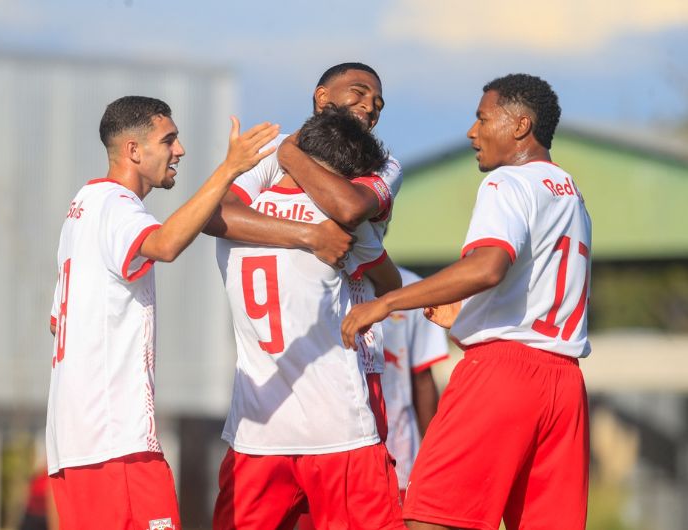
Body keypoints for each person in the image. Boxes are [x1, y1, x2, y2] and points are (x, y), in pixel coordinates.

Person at [342, 74, 592, 530]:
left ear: (520, 126)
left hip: (502, 375)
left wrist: (386, 302)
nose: (471, 132)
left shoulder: (508, 183)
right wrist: (470, 314)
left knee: (431, 519)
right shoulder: (571, 194)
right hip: (565, 385)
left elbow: (488, 267)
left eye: (482, 119)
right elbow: (526, 290)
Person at [46, 95, 278, 530]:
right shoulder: (116, 205)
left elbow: (56, 320)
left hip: (76, 444)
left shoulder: (82, 208)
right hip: (114, 443)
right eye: (168, 139)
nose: (180, 150)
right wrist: (229, 169)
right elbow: (165, 245)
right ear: (134, 150)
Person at [213, 106, 405, 530]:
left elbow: (211, 215)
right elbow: (391, 284)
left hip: (256, 431)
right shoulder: (342, 225)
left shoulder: (235, 220)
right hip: (338, 428)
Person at [204, 62, 403, 271]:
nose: (370, 107)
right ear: (322, 97)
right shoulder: (270, 147)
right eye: (358, 92)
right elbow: (214, 215)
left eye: (378, 105)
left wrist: (290, 155)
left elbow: (349, 210)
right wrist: (311, 236)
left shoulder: (384, 165)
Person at [380, 266, 449, 501]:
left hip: (397, 456)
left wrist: (434, 464)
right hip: (327, 455)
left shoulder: (414, 289)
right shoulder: (317, 281)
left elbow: (423, 380)